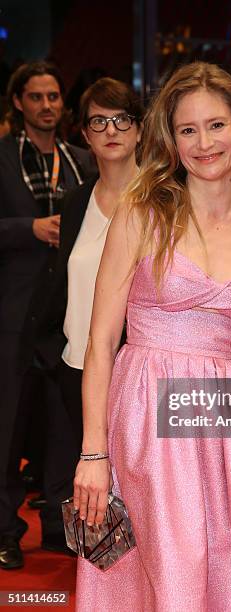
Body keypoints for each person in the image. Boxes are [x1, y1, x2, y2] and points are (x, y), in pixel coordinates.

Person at [73, 61, 231, 611]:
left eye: (217, 125)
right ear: (171, 140)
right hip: (148, 417)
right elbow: (101, 340)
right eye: (188, 130)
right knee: (165, 569)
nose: (205, 143)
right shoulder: (141, 211)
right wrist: (93, 453)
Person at [0, 61, 94, 569]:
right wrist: (29, 229)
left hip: (68, 316)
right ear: (18, 103)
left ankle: (61, 528)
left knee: (66, 429)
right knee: (7, 429)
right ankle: (5, 530)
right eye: (36, 97)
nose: (46, 106)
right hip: (12, 315)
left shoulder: (81, 161)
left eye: (54, 96)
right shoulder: (1, 157)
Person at [35, 77, 143, 450]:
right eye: (99, 121)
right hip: (74, 366)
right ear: (85, 133)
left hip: (135, 374)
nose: (111, 130)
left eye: (122, 119)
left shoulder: (160, 203)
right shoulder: (76, 202)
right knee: (79, 492)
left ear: (140, 130)